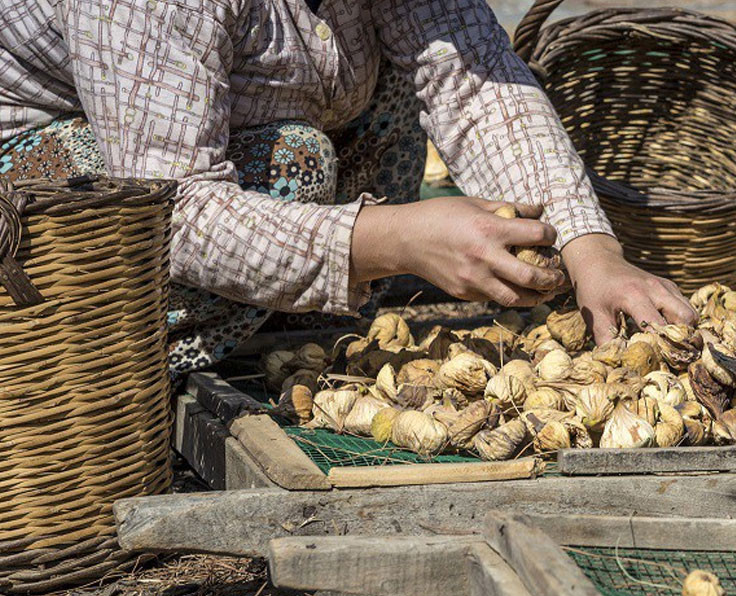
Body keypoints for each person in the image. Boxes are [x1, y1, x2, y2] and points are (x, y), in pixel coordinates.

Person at [0, 0, 695, 374]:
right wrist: (395, 236)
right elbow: (174, 208)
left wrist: (591, 252)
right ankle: (138, 367)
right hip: (44, 186)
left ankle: (286, 333)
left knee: (397, 79)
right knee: (294, 163)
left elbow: (474, 81)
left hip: (225, 121)